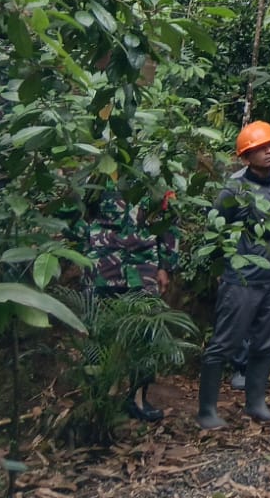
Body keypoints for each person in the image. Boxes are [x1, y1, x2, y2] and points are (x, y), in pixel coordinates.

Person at [197, 120, 270, 430]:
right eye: (260, 149)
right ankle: (206, 411)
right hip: (242, 280)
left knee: (265, 343)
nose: (269, 152)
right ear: (245, 156)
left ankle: (256, 404)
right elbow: (215, 229)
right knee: (224, 343)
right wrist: (229, 266)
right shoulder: (235, 188)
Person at [76, 180, 178, 422]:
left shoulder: (156, 177)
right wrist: (84, 250)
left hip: (143, 264)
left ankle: (137, 398)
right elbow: (76, 213)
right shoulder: (95, 176)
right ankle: (100, 397)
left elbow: (169, 222)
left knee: (145, 331)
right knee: (99, 331)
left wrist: (166, 266)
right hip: (102, 263)